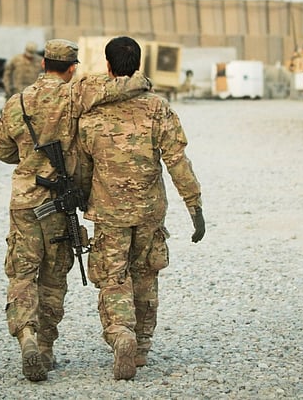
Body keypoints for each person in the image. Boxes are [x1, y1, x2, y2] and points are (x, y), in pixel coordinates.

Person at [0, 39, 150, 382]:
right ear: (71, 66)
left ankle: (27, 337)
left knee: (21, 274)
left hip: (24, 203)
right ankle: (46, 349)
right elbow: (116, 87)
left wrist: (28, 155)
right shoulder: (75, 94)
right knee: (52, 277)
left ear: (43, 63)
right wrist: (143, 82)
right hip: (58, 202)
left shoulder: (16, 102)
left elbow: (3, 151)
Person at [77, 36, 205, 381]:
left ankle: (122, 334)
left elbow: (83, 167)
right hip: (149, 212)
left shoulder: (93, 113)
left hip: (109, 212)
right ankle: (143, 346)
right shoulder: (158, 109)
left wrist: (81, 199)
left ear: (107, 66)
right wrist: (195, 208)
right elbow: (177, 160)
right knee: (146, 275)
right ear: (139, 65)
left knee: (114, 276)